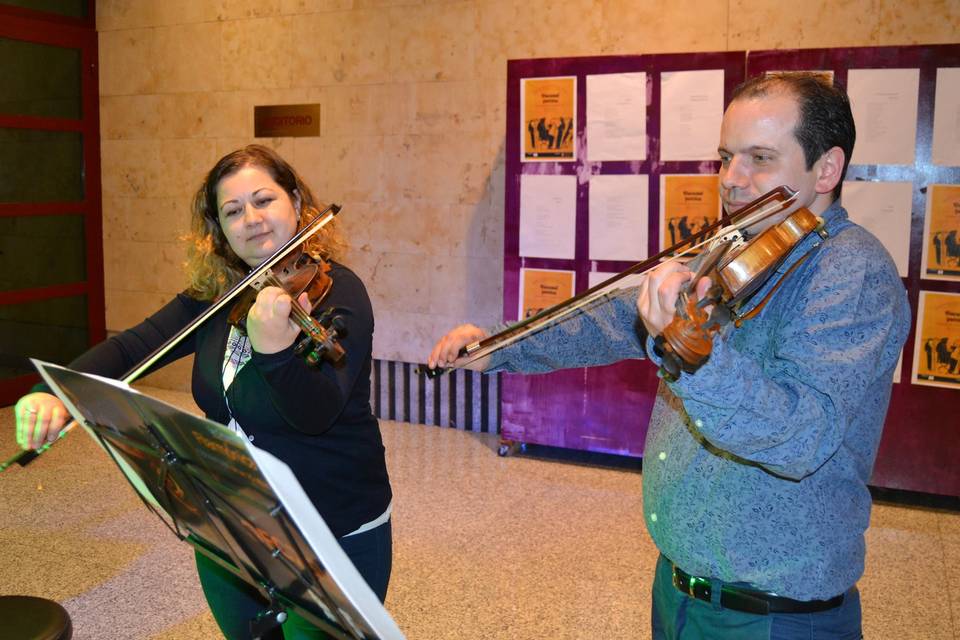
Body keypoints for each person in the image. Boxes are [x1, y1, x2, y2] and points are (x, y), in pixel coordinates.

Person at [428, 73, 911, 639]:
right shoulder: (735, 246)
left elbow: (801, 436)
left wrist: (694, 356)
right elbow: (609, 321)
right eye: (725, 157)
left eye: (759, 158)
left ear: (826, 169)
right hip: (680, 590)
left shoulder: (851, 274)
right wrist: (500, 348)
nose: (731, 180)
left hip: (772, 617)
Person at [15, 145, 392, 639]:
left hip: (332, 530)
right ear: (219, 227)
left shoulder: (338, 294)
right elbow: (134, 346)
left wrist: (276, 354)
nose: (251, 220)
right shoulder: (220, 292)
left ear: (297, 203)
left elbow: (315, 414)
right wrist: (59, 392)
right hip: (233, 524)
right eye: (233, 211)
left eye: (264, 200)